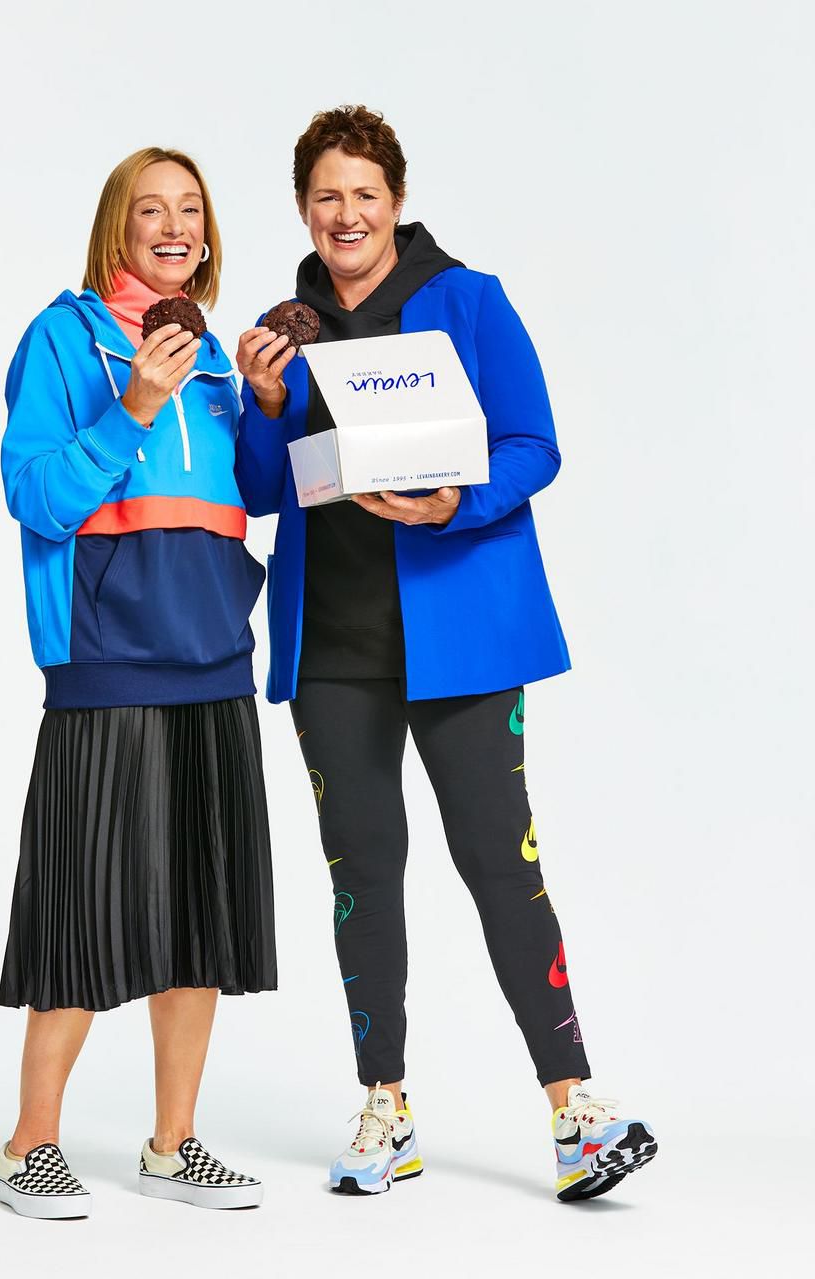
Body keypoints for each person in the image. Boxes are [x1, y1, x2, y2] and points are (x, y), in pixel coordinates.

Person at [235, 106, 657, 1200]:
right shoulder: (284, 332)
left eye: (364, 193)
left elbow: (534, 443)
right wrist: (266, 401)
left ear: (397, 201)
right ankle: (386, 1107)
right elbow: (257, 490)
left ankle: (574, 1111)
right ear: (302, 208)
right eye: (326, 195)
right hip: (329, 644)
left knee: (499, 865)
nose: (346, 214)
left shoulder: (469, 301)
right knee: (360, 875)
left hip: (463, 638)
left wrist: (452, 506)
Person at [0, 147, 274, 1218]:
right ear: (117, 227)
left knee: (201, 906)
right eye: (150, 209)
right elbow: (37, 496)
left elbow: (252, 497)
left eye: (190, 211)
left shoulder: (210, 356)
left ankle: (172, 1143)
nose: (173, 225)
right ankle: (30, 1144)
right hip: (106, 656)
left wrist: (258, 401)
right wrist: (133, 406)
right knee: (85, 902)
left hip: (213, 655)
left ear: (204, 236)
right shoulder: (62, 338)